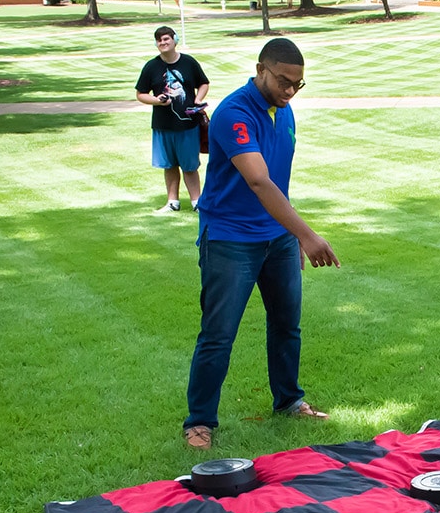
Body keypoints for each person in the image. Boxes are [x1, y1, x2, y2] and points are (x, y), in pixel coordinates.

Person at [181, 38, 339, 450]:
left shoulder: (283, 112)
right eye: (284, 81)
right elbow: (257, 181)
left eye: (298, 85)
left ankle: (289, 401)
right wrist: (307, 233)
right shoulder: (235, 112)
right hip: (230, 239)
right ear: (260, 70)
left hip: (277, 240)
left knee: (287, 324)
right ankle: (199, 422)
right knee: (218, 333)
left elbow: (279, 183)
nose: (290, 91)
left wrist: (288, 233)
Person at [135, 26, 209, 214]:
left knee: (190, 166)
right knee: (168, 165)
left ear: (175, 40)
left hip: (188, 124)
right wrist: (157, 101)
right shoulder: (151, 67)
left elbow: (203, 82)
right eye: (159, 40)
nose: (163, 43)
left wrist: (198, 99)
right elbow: (140, 93)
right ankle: (172, 201)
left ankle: (197, 202)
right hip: (163, 125)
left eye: (166, 39)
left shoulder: (188, 62)